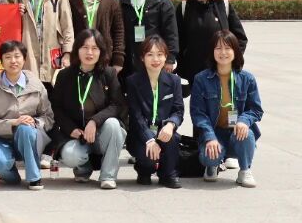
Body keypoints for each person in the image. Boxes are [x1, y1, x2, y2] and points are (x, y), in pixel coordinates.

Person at [51, 28, 125, 189]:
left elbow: (117, 104)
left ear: (101, 51)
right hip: (77, 135)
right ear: (77, 49)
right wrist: (70, 128)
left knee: (113, 124)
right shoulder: (65, 76)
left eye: (94, 48)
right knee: (70, 155)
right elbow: (56, 107)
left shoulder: (109, 73)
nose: (89, 52)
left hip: (101, 132)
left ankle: (108, 176)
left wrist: (94, 121)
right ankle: (83, 168)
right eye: (85, 47)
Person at [191, 30, 262, 188]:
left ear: (235, 51)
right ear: (212, 52)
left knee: (246, 133)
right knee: (209, 157)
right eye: (218, 48)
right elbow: (198, 114)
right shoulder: (201, 79)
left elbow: (256, 109)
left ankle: (245, 170)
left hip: (237, 132)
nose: (223, 52)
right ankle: (213, 165)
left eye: (227, 48)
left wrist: (244, 121)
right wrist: (210, 137)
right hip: (215, 132)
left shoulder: (247, 79)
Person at [0, 40, 54, 189]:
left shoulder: (36, 84)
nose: (13, 61)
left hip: (30, 137)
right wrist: (13, 122)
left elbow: (48, 117)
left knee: (25, 129)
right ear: (1, 61)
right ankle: (10, 174)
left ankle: (34, 178)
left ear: (24, 59)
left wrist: (34, 122)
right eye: (8, 57)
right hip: (1, 137)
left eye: (17, 56)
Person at [176, 0, 249, 102]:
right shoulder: (184, 7)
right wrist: (180, 68)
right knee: (199, 108)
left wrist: (232, 59)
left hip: (221, 68)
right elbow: (177, 40)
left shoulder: (224, 5)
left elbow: (240, 38)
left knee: (222, 106)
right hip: (193, 71)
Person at [125, 37, 184, 188]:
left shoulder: (174, 81)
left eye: (159, 54)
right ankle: (144, 170)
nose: (155, 59)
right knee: (148, 158)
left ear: (166, 57)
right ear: (142, 58)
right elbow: (136, 115)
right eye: (150, 54)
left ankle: (168, 174)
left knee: (172, 138)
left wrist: (171, 125)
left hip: (164, 131)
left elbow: (178, 110)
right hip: (142, 133)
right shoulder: (132, 81)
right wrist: (149, 139)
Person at [17, 0, 74, 86]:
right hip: (29, 51)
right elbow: (15, 26)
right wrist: (17, 13)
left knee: (53, 88)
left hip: (53, 51)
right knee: (31, 87)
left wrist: (67, 53)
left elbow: (67, 26)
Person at [121, 0, 180, 72]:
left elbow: (171, 33)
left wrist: (170, 59)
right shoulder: (124, 1)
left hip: (155, 60)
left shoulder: (162, 2)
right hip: (129, 60)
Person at [68, 0, 126, 70]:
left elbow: (119, 31)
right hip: (79, 57)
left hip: (105, 57)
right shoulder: (72, 0)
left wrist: (118, 59)